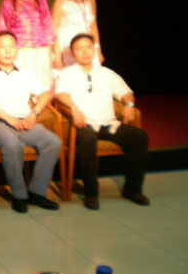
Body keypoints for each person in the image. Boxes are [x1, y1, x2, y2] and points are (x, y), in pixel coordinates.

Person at [56, 33, 149, 210]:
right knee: (87, 138)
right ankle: (91, 192)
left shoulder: (107, 73)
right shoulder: (67, 74)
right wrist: (74, 108)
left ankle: (132, 189)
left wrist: (129, 105)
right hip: (84, 124)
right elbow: (60, 95)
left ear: (94, 50)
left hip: (108, 124)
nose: (85, 52)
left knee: (139, 137)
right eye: (79, 49)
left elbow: (126, 92)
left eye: (88, 47)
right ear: (73, 53)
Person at [0, 31, 62, 213]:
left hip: (24, 121)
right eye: (2, 47)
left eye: (11, 46)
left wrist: (34, 114)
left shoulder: (25, 73)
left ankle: (37, 192)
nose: (8, 51)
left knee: (53, 142)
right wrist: (8, 118)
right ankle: (19, 195)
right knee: (12, 144)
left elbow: (45, 94)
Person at [0, 0, 55, 89]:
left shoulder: (42, 1)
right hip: (19, 52)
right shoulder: (8, 3)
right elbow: (2, 30)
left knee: (42, 86)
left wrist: (52, 55)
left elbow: (49, 29)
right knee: (21, 86)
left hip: (41, 51)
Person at [52, 0, 104, 68]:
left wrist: (98, 49)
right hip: (67, 44)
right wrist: (56, 55)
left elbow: (93, 26)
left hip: (87, 42)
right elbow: (53, 28)